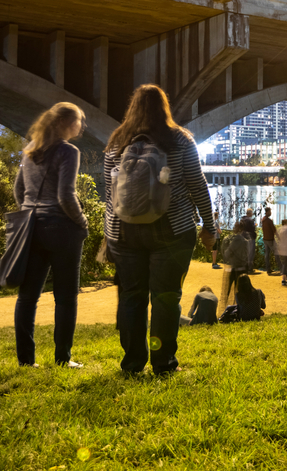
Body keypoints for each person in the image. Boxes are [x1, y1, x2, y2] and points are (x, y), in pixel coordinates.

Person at [103, 84, 215, 375]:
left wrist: (109, 236)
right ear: (165, 107)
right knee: (165, 298)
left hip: (124, 232)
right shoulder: (179, 139)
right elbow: (198, 186)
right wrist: (209, 227)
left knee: (131, 297)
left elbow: (109, 194)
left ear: (133, 108)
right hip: (172, 228)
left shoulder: (116, 141)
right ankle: (163, 363)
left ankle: (132, 364)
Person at [13, 102, 90, 368]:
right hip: (61, 228)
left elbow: (19, 190)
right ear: (67, 124)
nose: (81, 126)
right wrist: (82, 223)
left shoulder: (30, 150)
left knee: (27, 296)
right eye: (79, 121)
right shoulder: (68, 151)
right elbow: (65, 195)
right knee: (66, 297)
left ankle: (26, 360)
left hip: (31, 227)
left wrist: (29, 209)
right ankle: (62, 359)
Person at [221, 221, 249, 308]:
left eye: (236, 227)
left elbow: (226, 253)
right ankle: (239, 307)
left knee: (228, 290)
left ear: (240, 229)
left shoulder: (235, 239)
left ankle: (227, 308)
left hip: (234, 268)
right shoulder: (245, 240)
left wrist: (227, 256)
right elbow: (247, 255)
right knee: (240, 289)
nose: (234, 228)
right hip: (241, 268)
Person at [239, 208, 258, 274]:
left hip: (243, 237)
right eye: (251, 213)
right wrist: (255, 225)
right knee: (251, 253)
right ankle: (250, 268)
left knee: (245, 253)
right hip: (250, 237)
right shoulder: (250, 220)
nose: (252, 214)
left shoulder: (242, 220)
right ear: (249, 213)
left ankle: (244, 267)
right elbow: (252, 229)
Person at [261, 207, 278, 274]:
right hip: (270, 239)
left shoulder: (263, 220)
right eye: (270, 211)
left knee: (267, 255)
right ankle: (282, 268)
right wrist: (279, 237)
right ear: (267, 212)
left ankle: (268, 268)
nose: (270, 213)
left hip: (265, 239)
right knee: (276, 253)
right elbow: (274, 230)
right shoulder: (269, 221)